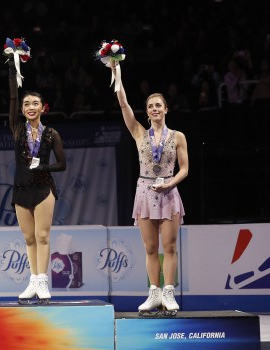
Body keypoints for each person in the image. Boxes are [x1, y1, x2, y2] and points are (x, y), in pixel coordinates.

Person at [111, 61, 188, 315]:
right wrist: (116, 73)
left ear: (166, 109)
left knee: (171, 247)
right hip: (144, 192)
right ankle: (153, 293)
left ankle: (169, 293)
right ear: (146, 112)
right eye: (150, 106)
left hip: (168, 192)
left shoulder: (178, 136)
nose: (155, 109)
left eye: (158, 105)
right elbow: (123, 103)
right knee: (151, 248)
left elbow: (185, 169)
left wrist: (169, 183)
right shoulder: (138, 133)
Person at [8, 60, 66, 304]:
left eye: (35, 103)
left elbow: (62, 164)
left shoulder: (52, 134)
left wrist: (43, 166)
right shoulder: (18, 130)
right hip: (21, 189)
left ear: (43, 108)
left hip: (43, 188)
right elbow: (11, 100)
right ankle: (33, 280)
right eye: (26, 104)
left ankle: (43, 281)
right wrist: (12, 72)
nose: (31, 107)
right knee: (29, 238)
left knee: (42, 236)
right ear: (21, 109)